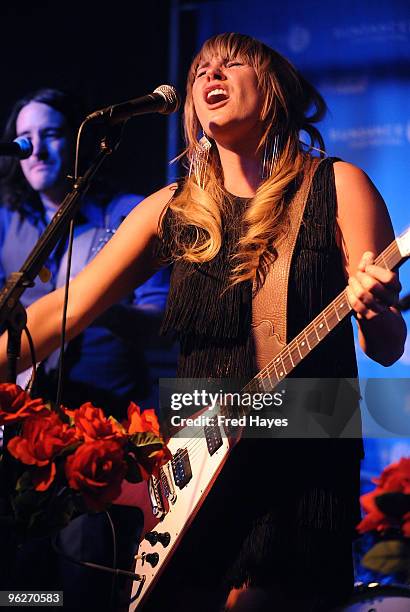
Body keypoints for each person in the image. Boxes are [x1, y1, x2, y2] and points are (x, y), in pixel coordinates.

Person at [0, 34, 406, 611]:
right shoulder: (173, 206)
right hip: (194, 464)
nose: (212, 73)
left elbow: (388, 347)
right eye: (201, 70)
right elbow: (61, 310)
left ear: (273, 91)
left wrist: (374, 309)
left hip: (302, 457)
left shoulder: (339, 186)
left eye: (232, 63)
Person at [0, 88, 172, 610]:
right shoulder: (10, 221)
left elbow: (159, 323)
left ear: (79, 139)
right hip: (21, 437)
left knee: (81, 588)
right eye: (24, 140)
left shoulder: (125, 214)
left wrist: (94, 303)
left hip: (95, 437)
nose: (37, 151)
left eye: (51, 135)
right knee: (26, 592)